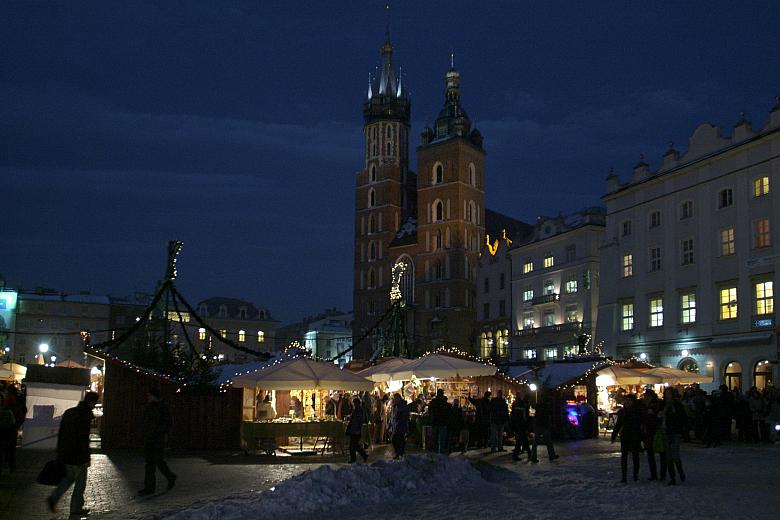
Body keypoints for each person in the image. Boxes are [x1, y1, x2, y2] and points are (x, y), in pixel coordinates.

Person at [47, 391, 100, 516]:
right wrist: (86, 457)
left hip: (66, 452)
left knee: (69, 477)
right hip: (77, 455)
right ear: (92, 402)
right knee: (80, 482)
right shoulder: (85, 415)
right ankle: (76, 508)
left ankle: (54, 497)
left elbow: (62, 434)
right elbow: (82, 439)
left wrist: (59, 452)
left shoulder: (70, 412)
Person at [138, 387, 177, 495]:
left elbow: (167, 423)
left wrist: (158, 431)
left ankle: (168, 477)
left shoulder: (162, 408)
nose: (148, 397)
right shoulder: (150, 407)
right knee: (151, 462)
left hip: (157, 438)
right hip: (151, 437)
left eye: (149, 395)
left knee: (156, 461)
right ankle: (150, 486)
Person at [612, 394, 642, 483]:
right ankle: (624, 476)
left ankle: (635, 475)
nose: (627, 403)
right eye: (626, 401)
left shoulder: (636, 412)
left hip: (634, 436)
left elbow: (639, 424)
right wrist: (614, 434)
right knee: (625, 457)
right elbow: (618, 424)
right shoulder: (623, 412)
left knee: (634, 456)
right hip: (626, 436)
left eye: (629, 401)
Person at [663, 388, 687, 486]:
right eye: (667, 394)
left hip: (675, 432)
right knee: (668, 456)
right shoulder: (664, 405)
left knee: (675, 455)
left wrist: (674, 413)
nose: (668, 396)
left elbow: (682, 418)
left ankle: (680, 471)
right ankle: (672, 477)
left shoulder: (678, 405)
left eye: (670, 394)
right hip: (667, 431)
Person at [530, 391, 558, 463]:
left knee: (536, 442)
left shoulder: (538, 405)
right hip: (544, 425)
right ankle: (551, 455)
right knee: (548, 442)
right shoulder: (546, 406)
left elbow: (534, 413)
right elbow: (549, 415)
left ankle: (533, 457)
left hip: (539, 425)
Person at [346, 396, 368, 463]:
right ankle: (363, 455)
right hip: (355, 429)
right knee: (355, 445)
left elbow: (358, 420)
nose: (353, 404)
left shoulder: (358, 410)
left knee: (353, 445)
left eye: (354, 403)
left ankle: (354, 459)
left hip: (355, 430)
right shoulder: (357, 410)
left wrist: (357, 428)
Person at [428, 389, 451, 454]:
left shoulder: (433, 402)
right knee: (442, 440)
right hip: (442, 423)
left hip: (435, 422)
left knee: (435, 440)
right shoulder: (444, 403)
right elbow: (448, 412)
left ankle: (435, 454)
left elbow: (429, 411)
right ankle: (441, 454)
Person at [510, 392, 531, 461]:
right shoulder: (521, 403)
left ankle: (528, 454)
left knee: (522, 439)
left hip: (519, 424)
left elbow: (513, 414)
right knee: (522, 439)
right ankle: (529, 454)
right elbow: (524, 414)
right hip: (521, 424)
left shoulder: (516, 403)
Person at [0, 395, 17, 473]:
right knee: (10, 450)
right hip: (10, 431)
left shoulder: (4, 410)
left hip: (3, 431)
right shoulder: (12, 410)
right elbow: (13, 422)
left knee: (4, 449)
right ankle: (11, 466)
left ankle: (5, 464)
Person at [389, 393, 409, 458]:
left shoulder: (402, 405)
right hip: (396, 426)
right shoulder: (396, 406)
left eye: (395, 398)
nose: (394, 400)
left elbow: (404, 416)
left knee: (398, 440)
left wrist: (400, 417)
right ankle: (399, 453)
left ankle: (400, 453)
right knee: (396, 440)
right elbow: (393, 417)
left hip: (401, 426)